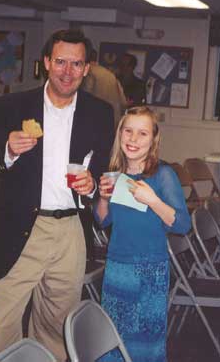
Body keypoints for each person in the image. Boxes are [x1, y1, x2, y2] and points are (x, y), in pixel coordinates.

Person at [0, 29, 114, 362]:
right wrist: (8, 148)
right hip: (19, 228)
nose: (68, 72)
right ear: (47, 63)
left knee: (57, 325)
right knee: (1, 321)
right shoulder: (10, 106)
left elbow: (102, 171)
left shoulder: (100, 112)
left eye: (76, 64)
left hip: (69, 232)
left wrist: (92, 187)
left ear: (86, 68)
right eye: (61, 62)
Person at [94, 106, 191, 362]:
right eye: (128, 131)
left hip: (149, 271)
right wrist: (103, 198)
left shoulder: (163, 175)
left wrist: (153, 200)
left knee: (144, 346)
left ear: (153, 139)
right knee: (113, 341)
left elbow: (182, 224)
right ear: (120, 134)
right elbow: (103, 220)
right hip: (116, 268)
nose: (133, 139)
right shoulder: (116, 174)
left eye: (142, 133)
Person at [81, 48, 127, 127]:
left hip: (95, 120)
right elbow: (123, 102)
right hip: (114, 120)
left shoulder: (89, 72)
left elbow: (84, 97)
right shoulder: (110, 74)